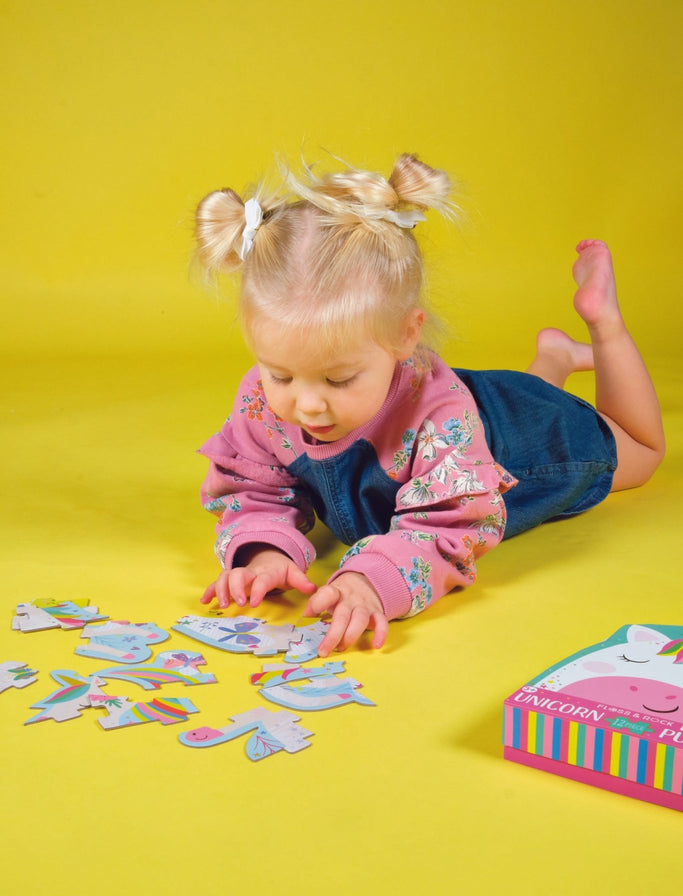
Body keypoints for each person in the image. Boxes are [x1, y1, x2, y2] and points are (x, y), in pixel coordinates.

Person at [193, 154, 665, 657]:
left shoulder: (441, 419)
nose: (307, 404)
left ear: (406, 335)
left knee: (641, 450)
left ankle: (604, 326)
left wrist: (371, 581)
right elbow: (253, 485)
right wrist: (263, 552)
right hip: (476, 405)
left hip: (527, 443)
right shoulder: (263, 401)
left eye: (339, 378)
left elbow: (449, 525)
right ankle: (555, 356)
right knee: (528, 393)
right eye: (281, 375)